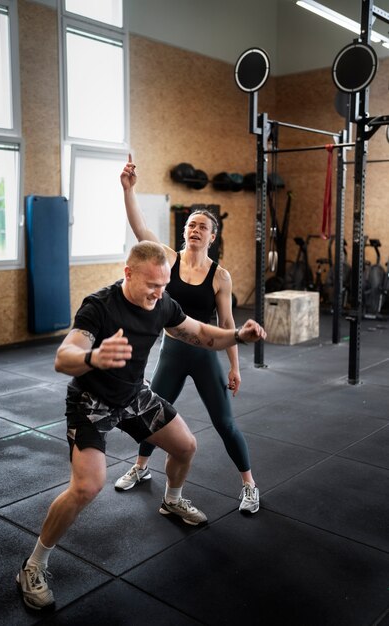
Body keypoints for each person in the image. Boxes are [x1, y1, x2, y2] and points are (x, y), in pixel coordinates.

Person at [16, 239, 266, 611]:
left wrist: (237, 337)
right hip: (92, 403)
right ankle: (33, 565)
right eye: (152, 285)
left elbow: (201, 332)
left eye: (163, 285)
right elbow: (63, 357)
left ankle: (172, 501)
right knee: (88, 486)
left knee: (186, 446)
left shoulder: (163, 303)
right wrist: (93, 356)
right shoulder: (99, 306)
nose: (159, 293)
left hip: (134, 396)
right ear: (128, 273)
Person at [115, 156, 260, 514]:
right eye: (191, 225)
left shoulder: (220, 276)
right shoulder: (168, 259)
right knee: (153, 415)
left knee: (224, 422)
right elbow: (141, 229)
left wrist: (235, 367)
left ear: (213, 236)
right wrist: (128, 190)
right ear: (185, 232)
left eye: (202, 227)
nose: (195, 230)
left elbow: (227, 325)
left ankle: (250, 486)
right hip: (172, 351)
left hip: (204, 353)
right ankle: (141, 467)